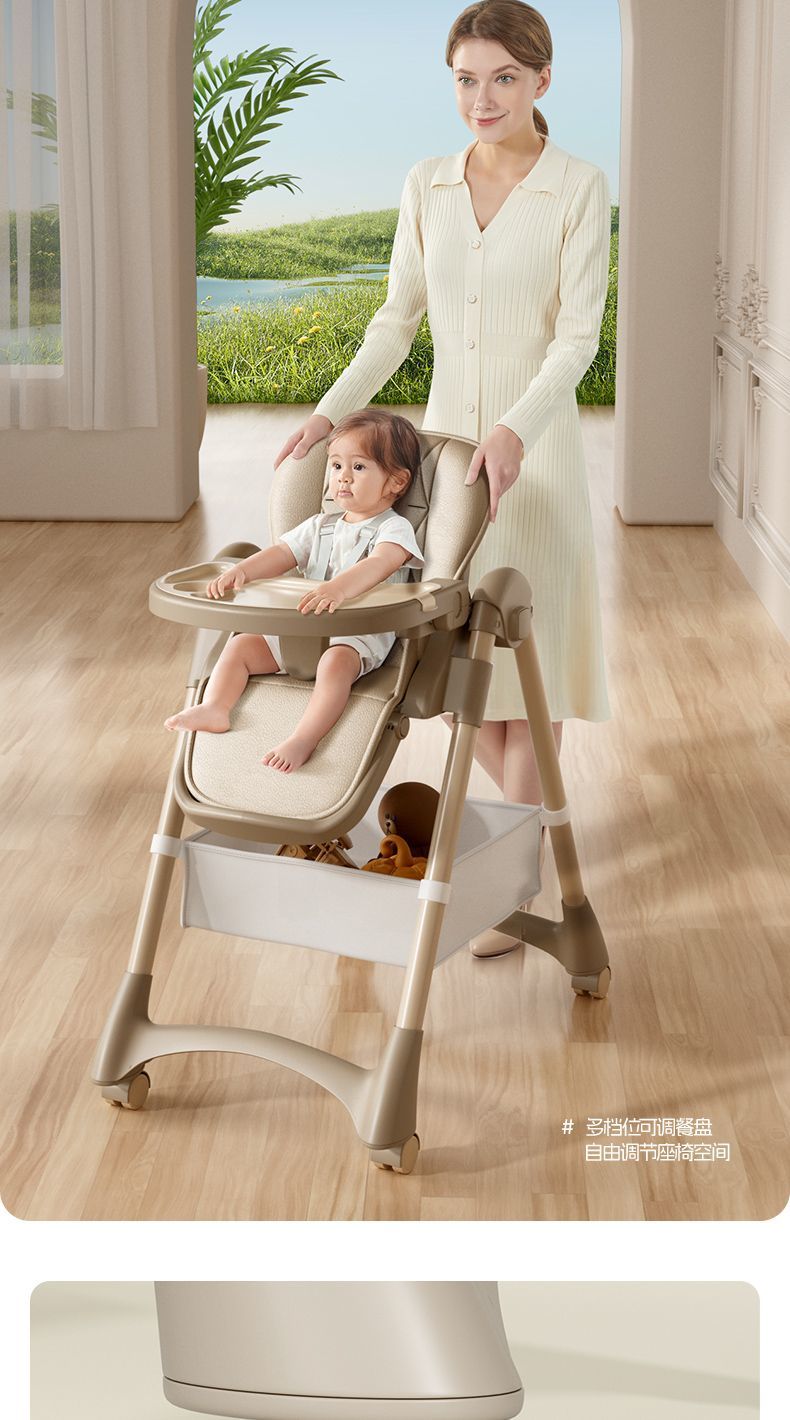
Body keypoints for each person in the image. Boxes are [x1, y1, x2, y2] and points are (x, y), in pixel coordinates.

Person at [274, 0, 612, 951]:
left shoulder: (577, 187)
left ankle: (508, 883)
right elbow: (396, 321)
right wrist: (329, 412)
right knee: (466, 670)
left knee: (524, 677)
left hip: (533, 460)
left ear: (541, 80)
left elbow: (577, 339)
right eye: (467, 79)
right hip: (447, 460)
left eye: (504, 78)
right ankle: (507, 849)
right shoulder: (426, 183)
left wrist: (514, 429)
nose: (482, 98)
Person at [165, 409, 424, 772]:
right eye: (336, 466)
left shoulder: (394, 529)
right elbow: (281, 553)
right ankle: (215, 707)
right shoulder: (320, 525)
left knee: (334, 665)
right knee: (241, 646)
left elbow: (381, 562)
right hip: (301, 629)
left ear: (396, 482)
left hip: (356, 636)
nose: (343, 477)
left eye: (359, 467)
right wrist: (242, 571)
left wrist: (338, 589)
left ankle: (304, 738)